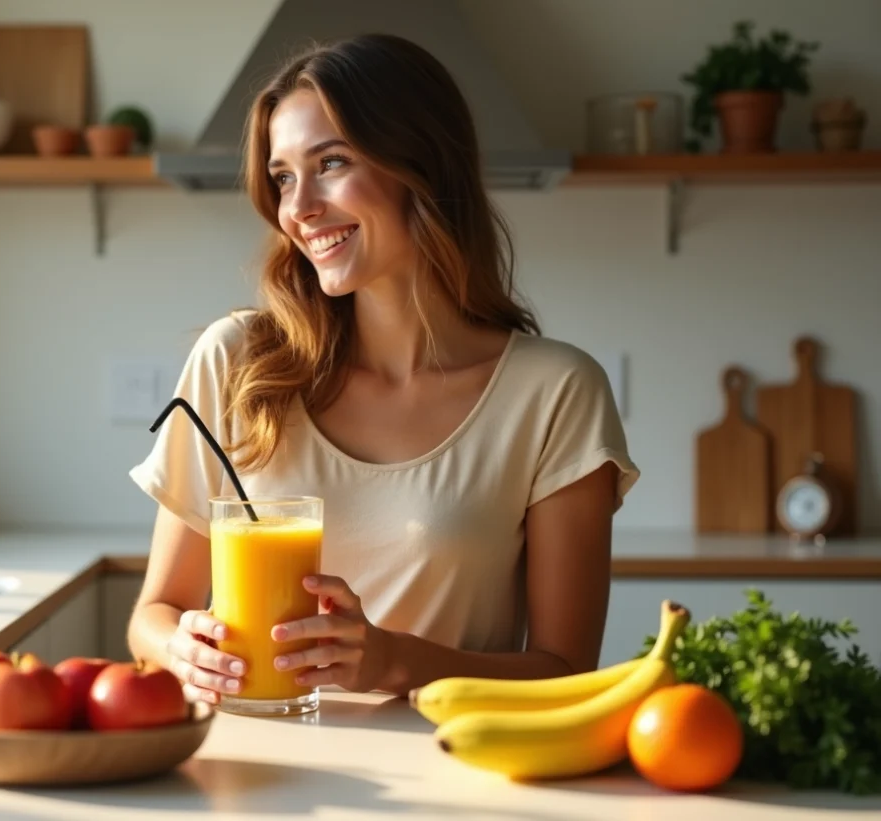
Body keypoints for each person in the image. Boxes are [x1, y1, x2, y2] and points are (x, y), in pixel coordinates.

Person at [126, 33, 638, 706]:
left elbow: (568, 673)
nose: (298, 208)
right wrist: (181, 649)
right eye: (283, 177)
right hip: (247, 778)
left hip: (444, 785)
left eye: (330, 162)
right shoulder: (238, 364)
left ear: (419, 165)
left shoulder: (555, 394)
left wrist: (395, 660)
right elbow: (151, 616)